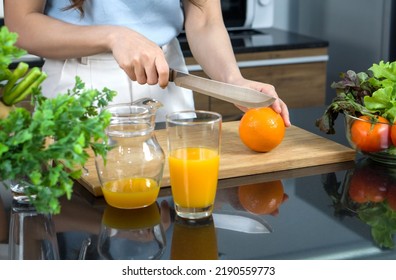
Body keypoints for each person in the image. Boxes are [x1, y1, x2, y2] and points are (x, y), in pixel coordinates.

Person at [4, 0, 290, 125]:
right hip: (77, 88)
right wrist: (113, 36)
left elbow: (204, 18)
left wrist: (233, 80)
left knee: (172, 220)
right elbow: (21, 26)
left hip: (167, 81)